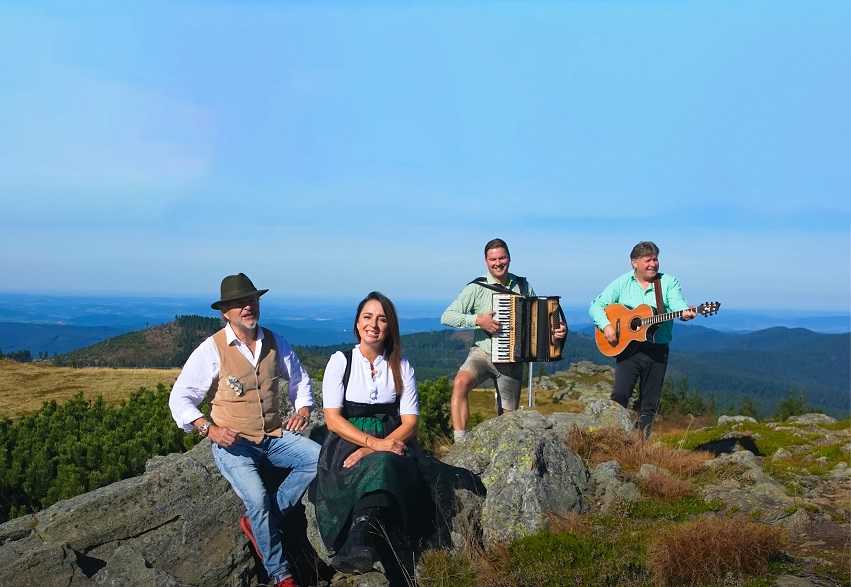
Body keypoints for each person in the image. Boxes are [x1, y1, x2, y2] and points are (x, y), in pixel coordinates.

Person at [169, 273, 321, 587]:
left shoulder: (275, 342)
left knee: (318, 458)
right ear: (225, 312)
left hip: (273, 435)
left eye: (251, 300)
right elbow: (180, 397)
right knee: (257, 498)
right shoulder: (211, 350)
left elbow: (300, 381)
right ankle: (282, 575)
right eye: (239, 304)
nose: (247, 307)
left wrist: (304, 408)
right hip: (232, 443)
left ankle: (263, 523)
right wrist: (208, 429)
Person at [313, 292, 430, 584]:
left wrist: (383, 446)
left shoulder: (402, 366)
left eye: (381, 319)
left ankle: (358, 538)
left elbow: (411, 422)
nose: (373, 325)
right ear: (357, 324)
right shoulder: (341, 361)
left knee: (385, 464)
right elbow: (332, 419)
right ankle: (364, 536)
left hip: (395, 439)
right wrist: (374, 446)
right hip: (347, 442)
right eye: (367, 317)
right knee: (381, 462)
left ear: (390, 326)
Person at [441, 238, 567, 441]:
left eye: (502, 258)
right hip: (482, 353)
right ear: (485, 261)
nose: (498, 263)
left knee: (508, 422)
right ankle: (460, 442)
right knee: (460, 383)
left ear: (509, 258)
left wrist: (555, 332)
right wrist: (478, 320)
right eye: (493, 259)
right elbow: (447, 317)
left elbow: (539, 320)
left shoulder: (523, 285)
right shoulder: (476, 288)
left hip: (512, 362)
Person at [589, 241, 697, 438]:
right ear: (634, 263)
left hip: (657, 349)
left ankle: (641, 447)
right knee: (620, 395)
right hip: (630, 350)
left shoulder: (668, 282)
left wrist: (684, 313)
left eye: (656, 259)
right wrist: (607, 326)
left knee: (649, 403)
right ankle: (612, 438)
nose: (653, 264)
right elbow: (596, 306)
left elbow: (676, 303)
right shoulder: (622, 283)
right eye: (648, 260)